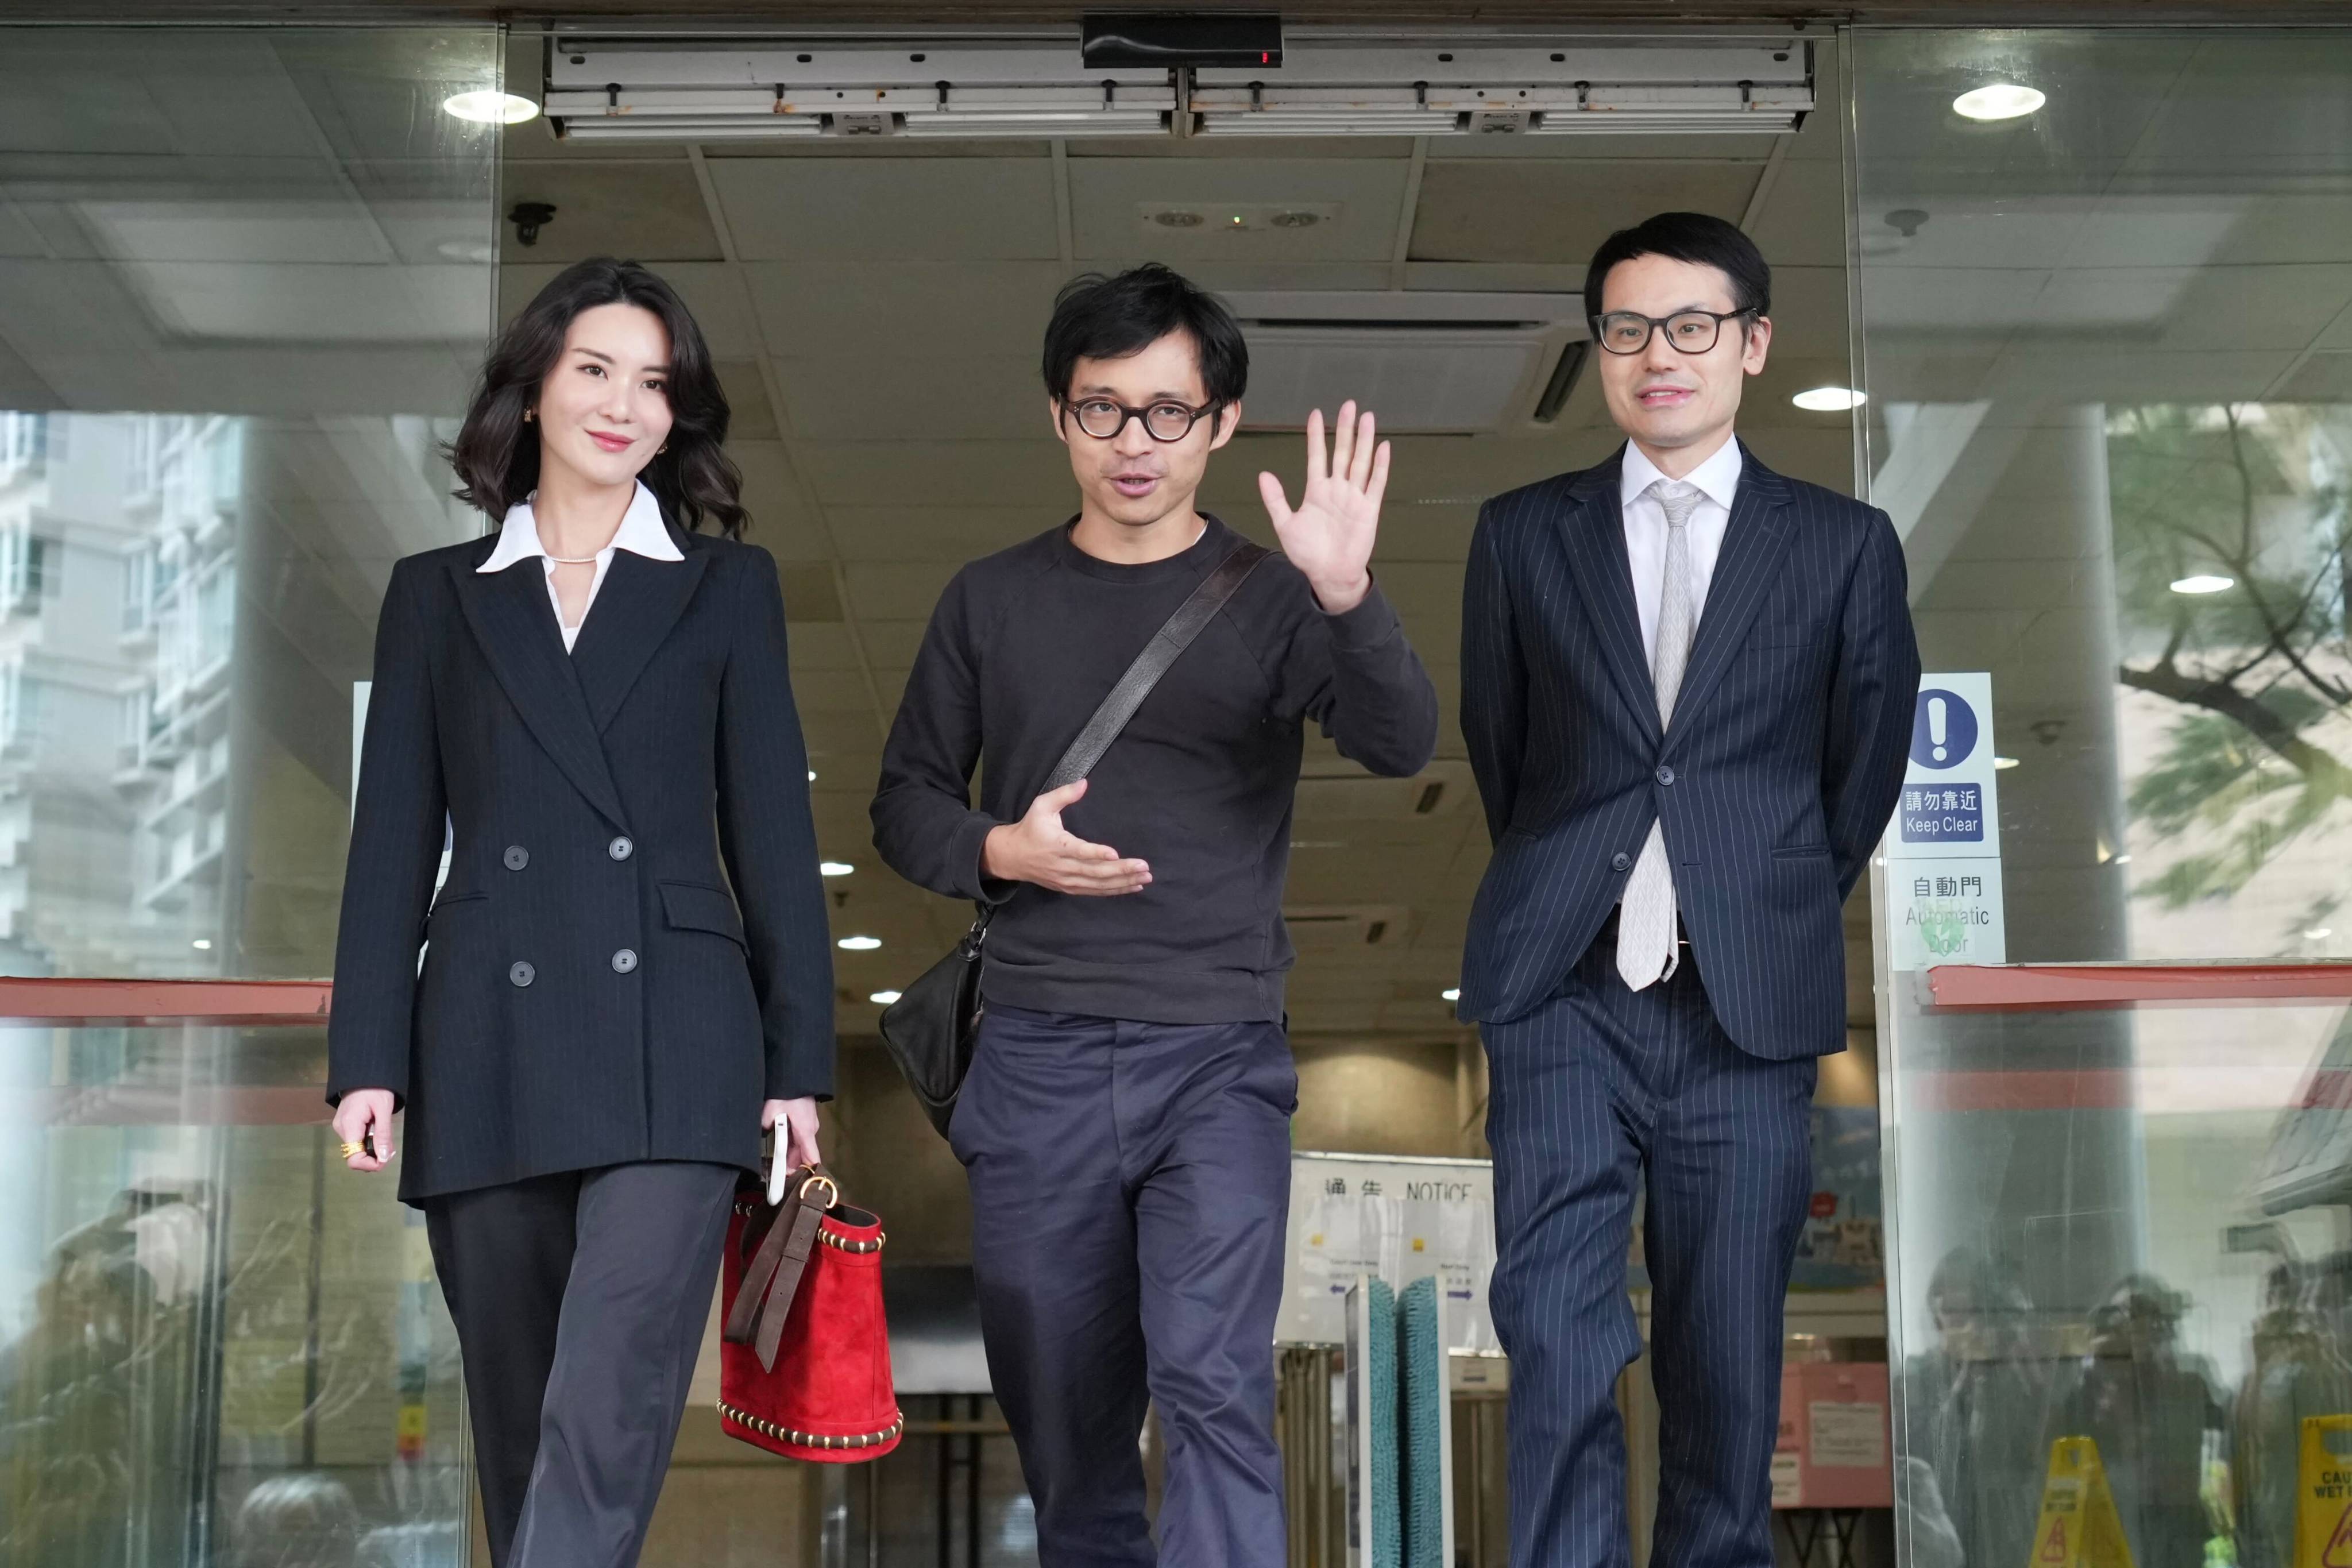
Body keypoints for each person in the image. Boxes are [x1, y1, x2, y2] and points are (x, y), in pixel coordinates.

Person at [871, 262, 1438, 1567]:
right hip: (1034, 1053)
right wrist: (997, 848)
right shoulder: (987, 599)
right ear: (1056, 418)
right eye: (1102, 410)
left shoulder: (1278, 597)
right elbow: (902, 802)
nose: (1135, 444)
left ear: (1223, 424)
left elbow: (1401, 743)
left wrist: (1348, 598)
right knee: (1067, 1436)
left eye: (1167, 413)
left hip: (1215, 1056)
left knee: (1214, 1390)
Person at [326, 257, 833, 1568]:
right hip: (485, 1033)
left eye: (656, 383)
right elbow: (393, 841)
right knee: (518, 1422)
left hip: (679, 1031)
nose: (625, 405)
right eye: (596, 369)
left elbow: (773, 834)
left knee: (607, 1389)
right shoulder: (436, 595)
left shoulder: (727, 588)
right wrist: (368, 1059)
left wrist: (797, 1066)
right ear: (535, 383)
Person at [1458, 211, 1920, 1568]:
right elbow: (1507, 757)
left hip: (1743, 1007)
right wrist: (1583, 888)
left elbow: (1858, 775)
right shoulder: (1519, 535)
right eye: (1625, 329)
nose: (1657, 355)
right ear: (1597, 349)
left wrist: (1746, 899)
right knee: (1552, 1334)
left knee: (1722, 1353)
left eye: (1690, 327)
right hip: (1561, 990)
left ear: (1752, 345)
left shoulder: (1841, 546)